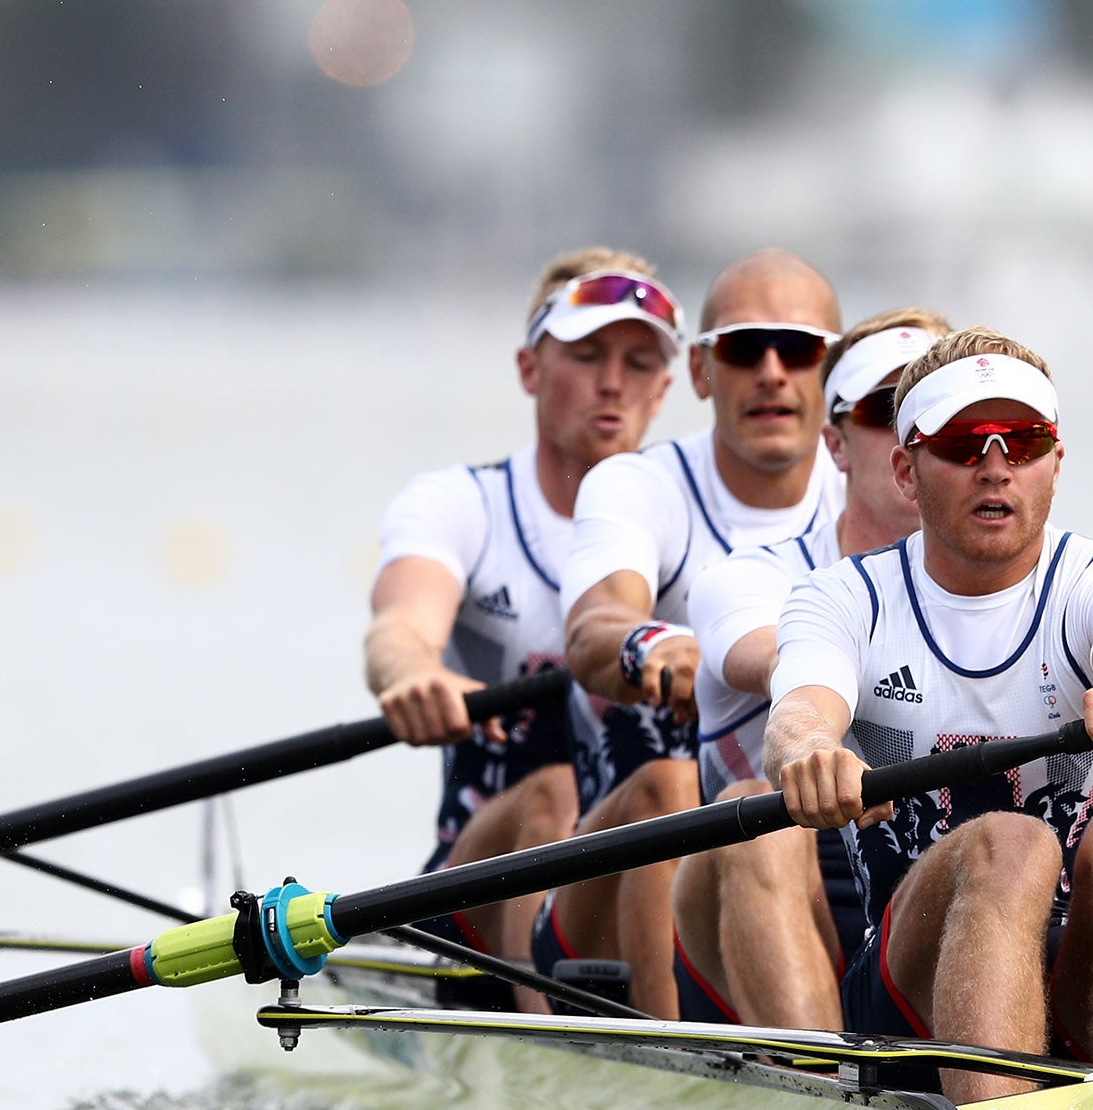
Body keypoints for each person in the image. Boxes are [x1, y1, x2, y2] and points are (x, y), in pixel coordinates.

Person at [763, 327, 1093, 1102]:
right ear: (907, 469)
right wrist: (811, 753)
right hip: (909, 999)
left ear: (1056, 464)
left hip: (1088, 982)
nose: (997, 466)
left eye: (1025, 441)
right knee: (1012, 843)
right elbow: (800, 711)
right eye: (965, 443)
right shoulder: (843, 598)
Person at [366, 249, 681, 1007]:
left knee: (671, 797)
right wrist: (412, 672)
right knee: (553, 791)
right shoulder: (462, 504)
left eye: (639, 362)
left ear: (666, 389)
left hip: (635, 864)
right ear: (529, 368)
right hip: (476, 875)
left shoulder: (691, 517)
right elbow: (400, 624)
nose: (613, 382)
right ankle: (543, 1037)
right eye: (586, 355)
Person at [547, 249, 846, 1018]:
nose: (773, 371)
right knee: (679, 789)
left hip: (811, 857)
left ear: (833, 372)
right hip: (615, 876)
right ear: (704, 374)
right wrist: (650, 645)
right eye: (746, 349)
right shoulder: (639, 485)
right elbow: (594, 626)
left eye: (799, 348)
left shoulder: (878, 493)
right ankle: (669, 1052)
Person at [672, 310, 947, 1029]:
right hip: (751, 922)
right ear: (836, 443)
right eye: (888, 412)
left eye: (944, 416)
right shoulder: (749, 580)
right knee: (754, 818)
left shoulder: (1035, 596)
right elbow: (781, 657)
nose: (917, 439)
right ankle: (817, 1091)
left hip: (932, 928)